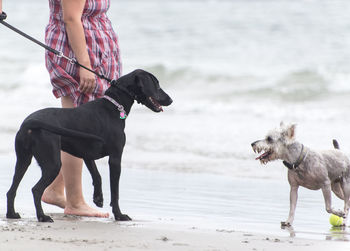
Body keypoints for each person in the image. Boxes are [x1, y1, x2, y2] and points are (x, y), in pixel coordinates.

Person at [43, 0, 121, 217]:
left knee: (86, 126)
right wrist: (84, 65)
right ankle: (75, 201)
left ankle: (56, 189)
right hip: (77, 52)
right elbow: (70, 18)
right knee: (77, 127)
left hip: (95, 49)